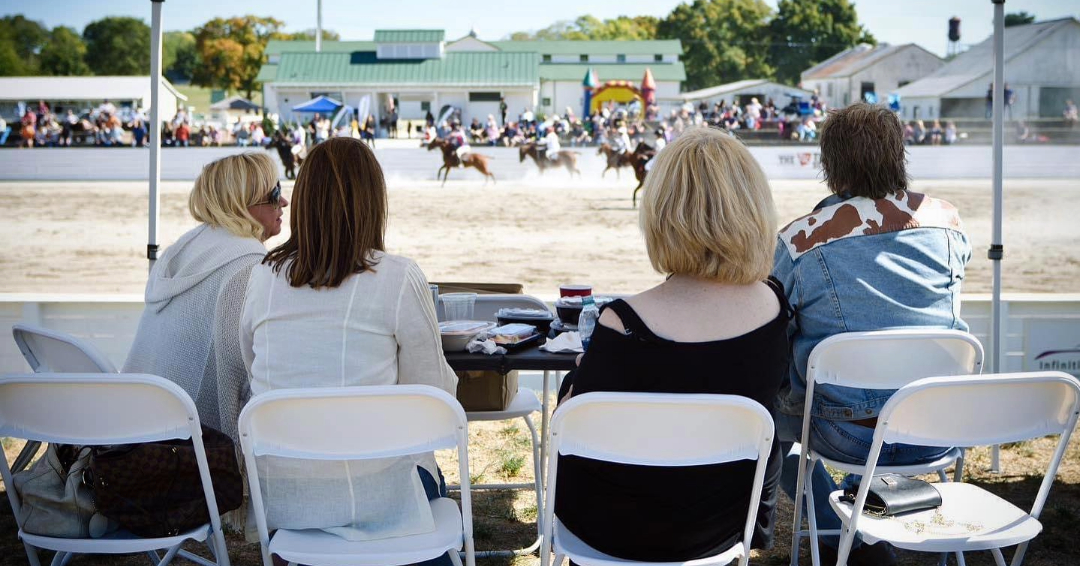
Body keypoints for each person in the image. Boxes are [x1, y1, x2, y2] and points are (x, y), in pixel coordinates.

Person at [554, 127, 789, 561]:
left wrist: (570, 385)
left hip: (612, 532)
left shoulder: (622, 322)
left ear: (663, 214)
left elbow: (574, 426)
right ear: (754, 212)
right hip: (724, 525)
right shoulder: (774, 306)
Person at [234, 137, 457, 559]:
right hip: (379, 495)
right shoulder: (398, 277)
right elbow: (433, 400)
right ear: (372, 202)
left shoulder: (263, 276)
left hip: (285, 496)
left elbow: (256, 367)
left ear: (302, 201)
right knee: (429, 472)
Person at [772, 103, 970, 566]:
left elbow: (776, 322)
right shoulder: (947, 222)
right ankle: (864, 513)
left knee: (771, 420)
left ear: (829, 165)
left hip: (845, 432)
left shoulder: (801, 240)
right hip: (936, 427)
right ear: (899, 154)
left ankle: (838, 529)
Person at [124, 153, 286, 438]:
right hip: (198, 453)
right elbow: (252, 373)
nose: (283, 202)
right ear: (243, 204)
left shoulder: (183, 249)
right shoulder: (247, 265)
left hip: (135, 429)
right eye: (275, 193)